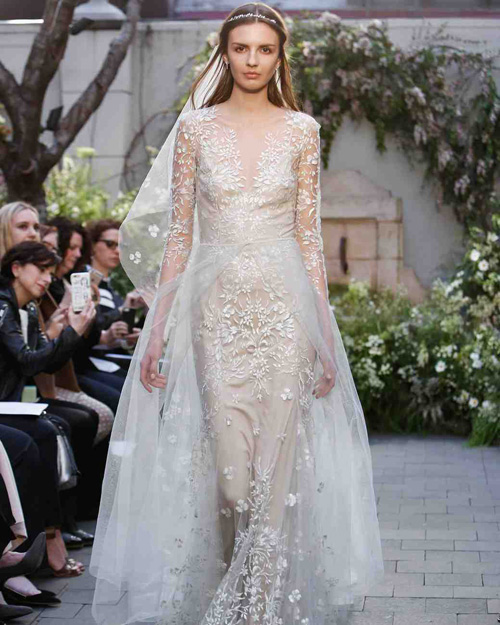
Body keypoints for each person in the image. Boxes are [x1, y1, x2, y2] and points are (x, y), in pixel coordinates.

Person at [91, 4, 384, 625]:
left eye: (265, 49)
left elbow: (308, 237)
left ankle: (258, 609)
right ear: (224, 53)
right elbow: (179, 235)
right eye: (242, 48)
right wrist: (158, 331)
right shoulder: (196, 130)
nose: (253, 60)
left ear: (280, 57)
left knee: (274, 475)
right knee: (230, 481)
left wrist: (323, 334)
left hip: (285, 312)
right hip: (216, 311)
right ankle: (234, 583)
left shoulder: (302, 130)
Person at [0, 241, 94, 584]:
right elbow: (28, 361)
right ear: (16, 269)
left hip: (12, 403)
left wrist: (68, 331)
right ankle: (41, 543)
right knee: (42, 433)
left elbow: (46, 362)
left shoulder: (26, 307)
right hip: (5, 404)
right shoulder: (4, 306)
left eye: (50, 272)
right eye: (40, 270)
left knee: (56, 427)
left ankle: (52, 536)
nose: (46, 278)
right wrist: (70, 333)